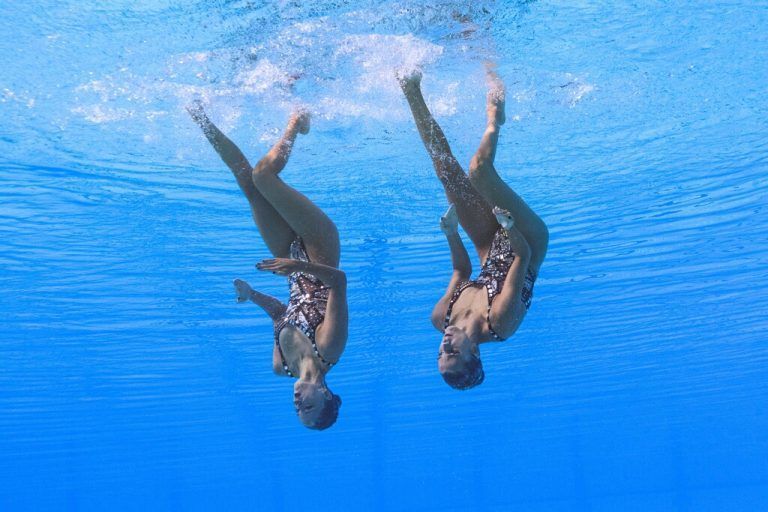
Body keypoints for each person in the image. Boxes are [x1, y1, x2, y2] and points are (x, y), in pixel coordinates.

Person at [187, 101, 347, 428]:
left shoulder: (280, 365)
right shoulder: (330, 347)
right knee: (265, 175)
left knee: (247, 180)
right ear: (327, 396)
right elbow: (339, 283)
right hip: (321, 252)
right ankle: (296, 120)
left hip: (287, 259)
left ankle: (200, 116)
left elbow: (280, 314)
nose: (298, 405)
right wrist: (299, 266)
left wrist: (252, 295)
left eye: (297, 412)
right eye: (309, 408)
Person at [399, 67, 549, 390]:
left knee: (445, 169)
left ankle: (410, 86)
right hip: (528, 241)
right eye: (452, 352)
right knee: (479, 171)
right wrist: (509, 227)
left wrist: (452, 232)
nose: (445, 345)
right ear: (474, 353)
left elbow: (461, 268)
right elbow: (522, 256)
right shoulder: (501, 322)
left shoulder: (441, 317)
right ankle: (495, 118)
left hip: (487, 247)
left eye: (440, 353)